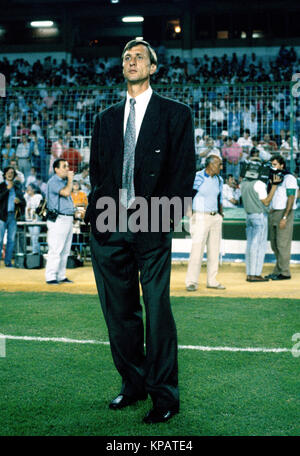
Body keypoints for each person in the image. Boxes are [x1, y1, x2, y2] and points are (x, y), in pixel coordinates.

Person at [86, 39, 195, 424]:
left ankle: (164, 396)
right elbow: (97, 173)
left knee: (158, 310)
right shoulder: (105, 119)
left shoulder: (176, 114)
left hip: (153, 221)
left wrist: (166, 218)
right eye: (126, 57)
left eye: (139, 58)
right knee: (119, 313)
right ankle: (132, 385)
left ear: (153, 68)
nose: (132, 61)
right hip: (109, 225)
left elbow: (183, 173)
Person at [185, 155, 225, 292]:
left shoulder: (219, 180)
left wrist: (220, 214)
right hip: (200, 216)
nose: (221, 167)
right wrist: (192, 215)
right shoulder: (198, 177)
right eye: (219, 164)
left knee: (215, 250)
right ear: (211, 165)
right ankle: (191, 282)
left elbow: (220, 198)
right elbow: (188, 195)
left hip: (215, 217)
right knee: (197, 251)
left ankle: (212, 280)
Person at [240, 158, 280, 282]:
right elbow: (266, 202)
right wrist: (274, 186)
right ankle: (255, 274)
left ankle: (250, 273)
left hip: (249, 216)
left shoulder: (244, 183)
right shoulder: (259, 184)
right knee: (259, 246)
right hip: (259, 216)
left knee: (250, 245)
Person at [265, 155, 298, 280]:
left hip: (284, 212)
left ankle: (285, 272)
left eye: (275, 164)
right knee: (274, 244)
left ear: (282, 165)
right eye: (272, 164)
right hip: (274, 212)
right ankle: (278, 269)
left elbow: (291, 198)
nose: (273, 167)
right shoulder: (274, 178)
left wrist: (285, 216)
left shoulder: (289, 178)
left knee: (282, 244)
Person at [45, 158, 74, 284]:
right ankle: (51, 276)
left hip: (67, 218)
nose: (67, 168)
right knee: (56, 249)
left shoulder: (63, 181)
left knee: (65, 250)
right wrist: (71, 179)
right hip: (58, 218)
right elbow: (66, 193)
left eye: (67, 166)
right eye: (64, 166)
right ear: (56, 169)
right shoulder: (54, 181)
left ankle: (61, 275)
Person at [0, 166, 26, 267]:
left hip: (12, 216)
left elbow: (24, 202)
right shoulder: (1, 186)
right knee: (0, 240)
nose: (10, 174)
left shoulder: (17, 187)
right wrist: (7, 189)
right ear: (5, 174)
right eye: (8, 172)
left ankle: (8, 261)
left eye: (12, 172)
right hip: (2, 216)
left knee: (11, 240)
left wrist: (19, 201)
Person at [24, 183, 43, 254]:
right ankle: (36, 251)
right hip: (28, 218)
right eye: (27, 188)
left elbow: (37, 206)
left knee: (35, 236)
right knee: (32, 236)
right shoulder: (26, 196)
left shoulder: (38, 196)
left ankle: (36, 252)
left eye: (30, 188)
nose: (28, 190)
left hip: (36, 219)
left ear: (34, 189)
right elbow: (24, 196)